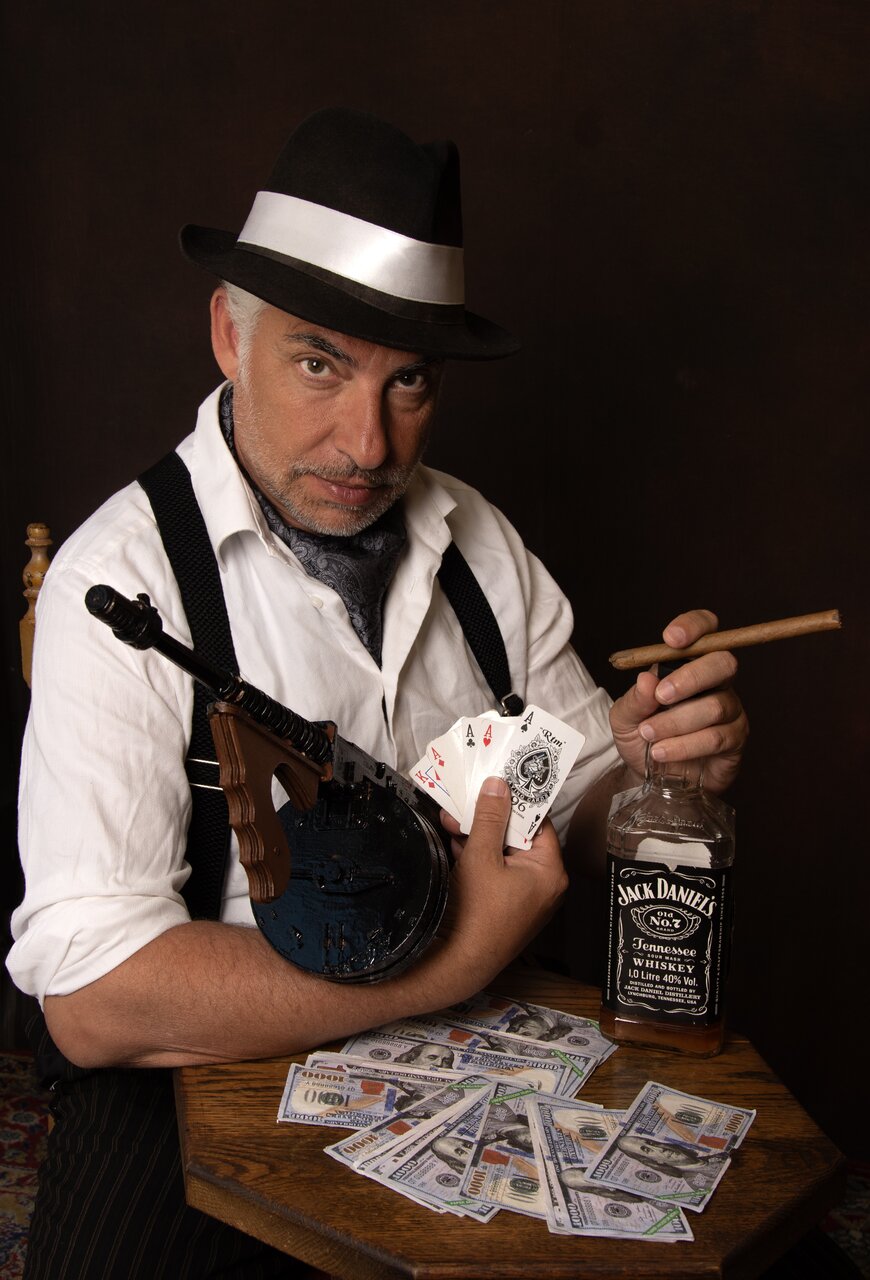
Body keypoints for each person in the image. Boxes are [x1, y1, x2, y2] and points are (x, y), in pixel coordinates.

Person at [7, 107, 747, 1277]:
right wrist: (445, 965)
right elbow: (95, 999)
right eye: (320, 364)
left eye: (409, 381)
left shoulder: (479, 542)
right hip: (195, 1070)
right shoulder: (124, 581)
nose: (368, 441)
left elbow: (579, 800)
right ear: (228, 334)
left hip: (482, 1045)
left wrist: (654, 763)